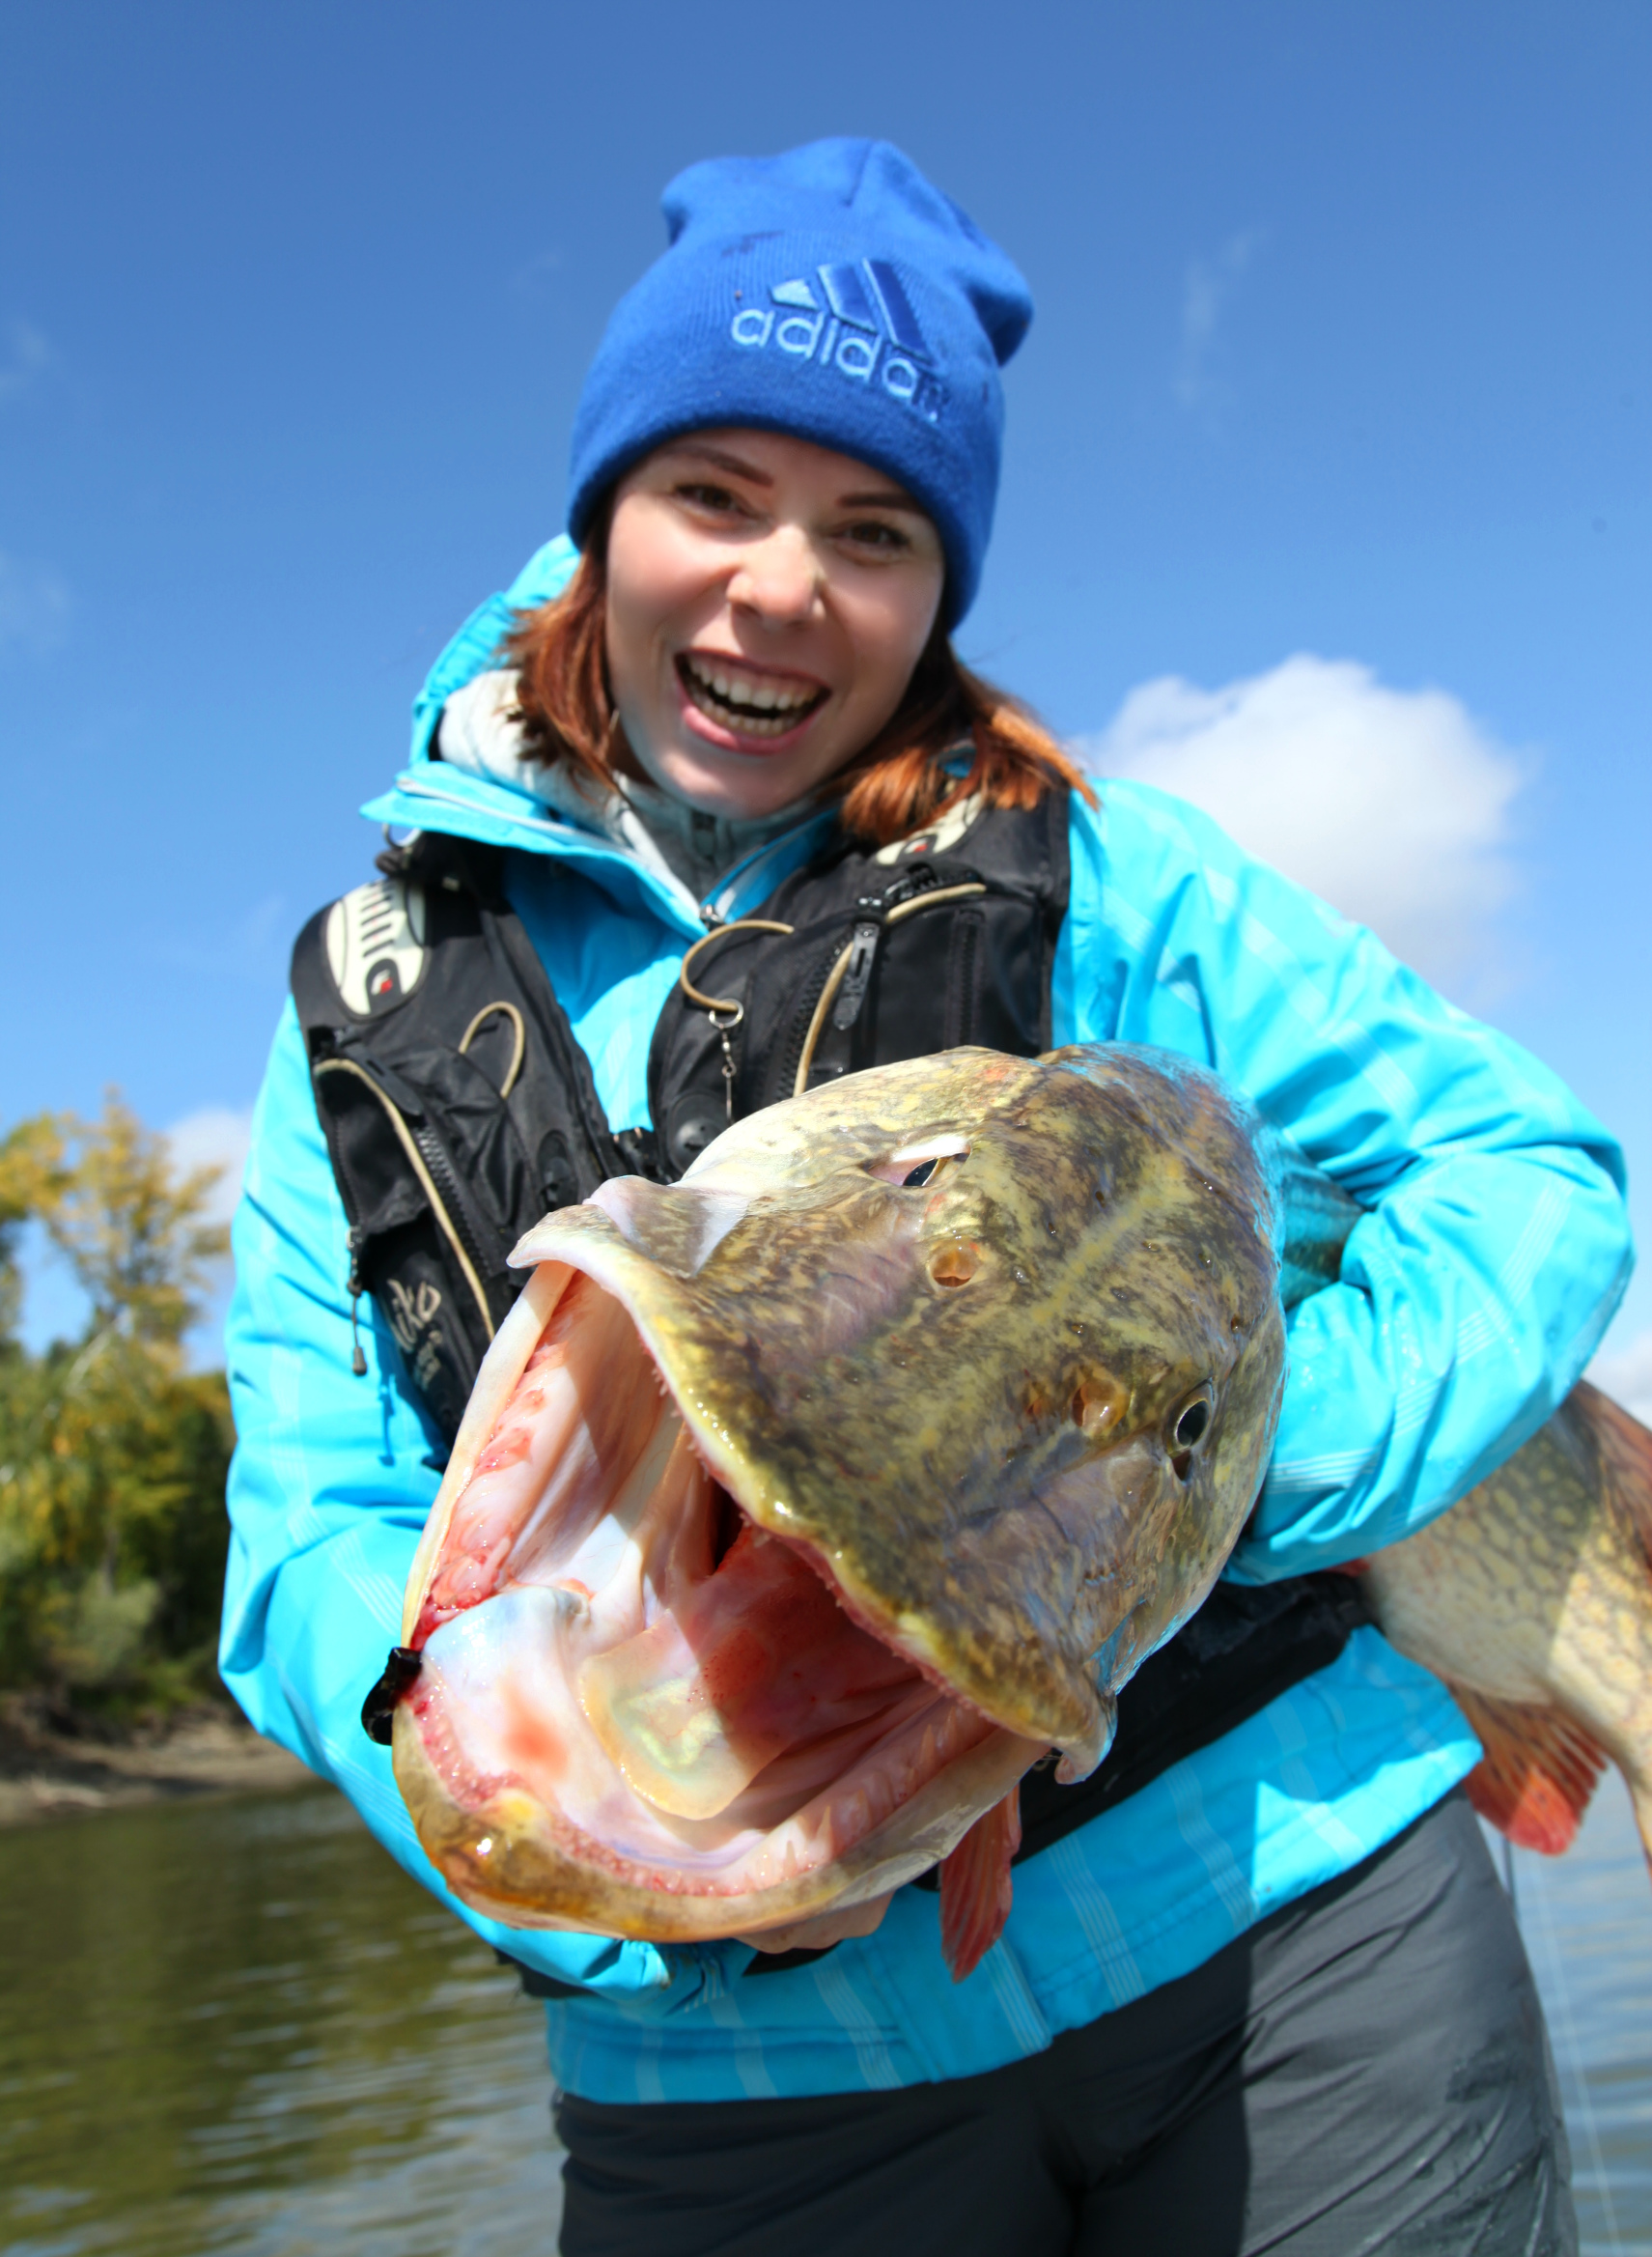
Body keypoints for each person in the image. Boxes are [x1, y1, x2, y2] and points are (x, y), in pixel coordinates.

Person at [222, 139, 1630, 2256]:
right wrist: (597, 1861)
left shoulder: (1104, 865)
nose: (784, 583)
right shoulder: (365, 994)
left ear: (932, 589)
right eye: (714, 494)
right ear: (602, 513)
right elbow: (306, 1531)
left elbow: (1520, 1174)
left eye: (871, 532)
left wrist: (1219, 1467)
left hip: (1293, 1947)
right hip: (745, 2095)